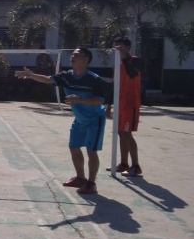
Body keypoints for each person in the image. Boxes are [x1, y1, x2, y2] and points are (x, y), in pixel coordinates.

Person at [15, 47, 112, 194]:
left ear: (86, 60)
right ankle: (80, 178)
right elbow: (48, 79)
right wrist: (30, 75)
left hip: (95, 120)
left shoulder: (94, 79)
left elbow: (99, 100)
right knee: (74, 148)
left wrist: (79, 99)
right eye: (72, 54)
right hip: (79, 120)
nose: (72, 56)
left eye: (77, 55)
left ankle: (91, 184)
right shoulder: (66, 76)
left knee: (91, 151)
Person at [105, 37, 143, 177]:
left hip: (130, 104)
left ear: (127, 47)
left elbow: (133, 74)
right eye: (115, 46)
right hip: (120, 104)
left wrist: (124, 57)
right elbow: (113, 86)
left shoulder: (135, 61)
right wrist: (109, 105)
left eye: (120, 46)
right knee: (120, 133)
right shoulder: (117, 64)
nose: (117, 49)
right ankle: (124, 163)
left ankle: (136, 166)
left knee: (127, 134)